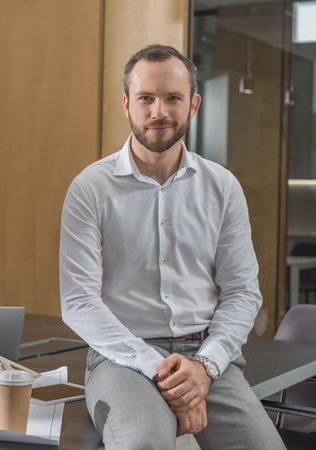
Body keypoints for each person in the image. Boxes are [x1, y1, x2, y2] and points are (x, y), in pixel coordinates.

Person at [59, 44, 285, 450]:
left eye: (173, 98)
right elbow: (78, 301)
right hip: (122, 358)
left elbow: (241, 292)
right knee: (143, 443)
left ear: (193, 105)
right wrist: (162, 370)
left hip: (210, 357)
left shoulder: (223, 187)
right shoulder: (89, 189)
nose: (158, 111)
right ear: (127, 104)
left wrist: (203, 369)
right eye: (146, 98)